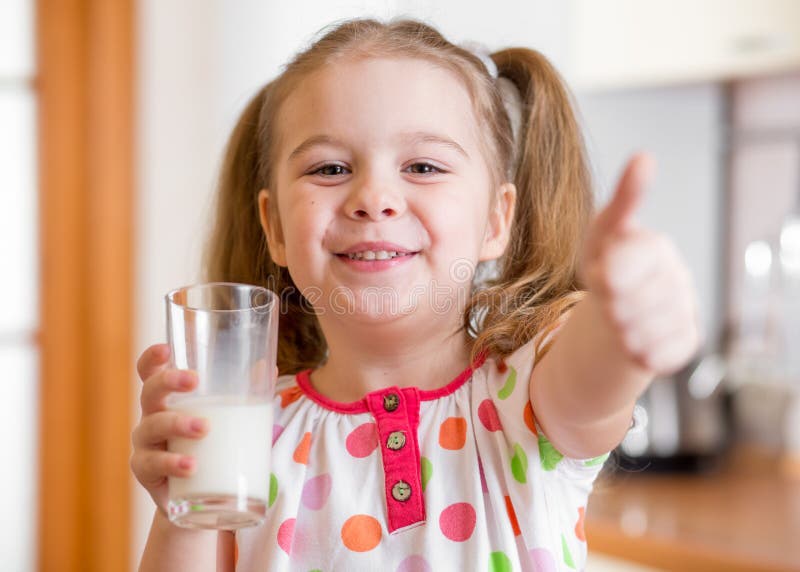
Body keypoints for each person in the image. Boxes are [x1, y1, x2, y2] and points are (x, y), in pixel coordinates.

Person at [131, 17, 701, 571]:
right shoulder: (249, 435)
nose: (374, 197)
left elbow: (593, 381)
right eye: (329, 168)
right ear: (275, 226)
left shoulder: (527, 398)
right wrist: (183, 509)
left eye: (423, 166)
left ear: (496, 220)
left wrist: (618, 320)